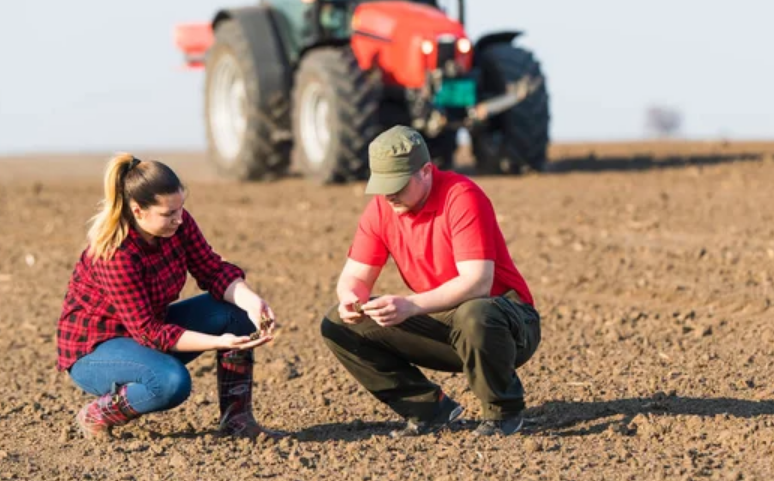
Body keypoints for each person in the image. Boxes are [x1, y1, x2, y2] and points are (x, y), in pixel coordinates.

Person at [320, 125, 541, 437]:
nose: (388, 194)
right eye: (382, 185)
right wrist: (350, 298)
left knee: (476, 312)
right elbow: (354, 276)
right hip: (441, 319)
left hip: (508, 324)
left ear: (425, 171)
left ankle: (502, 413)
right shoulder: (382, 209)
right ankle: (428, 409)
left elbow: (477, 282)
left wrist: (410, 305)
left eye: (396, 183)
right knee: (337, 324)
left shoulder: (461, 196)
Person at [55, 153, 280, 440]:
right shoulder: (115, 253)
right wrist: (218, 342)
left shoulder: (178, 224)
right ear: (137, 211)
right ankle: (97, 413)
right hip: (97, 349)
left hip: (144, 332)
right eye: (168, 214)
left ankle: (237, 421)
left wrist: (251, 302)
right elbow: (150, 333)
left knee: (236, 313)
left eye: (180, 208)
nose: (178, 219)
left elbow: (211, 269)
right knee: (170, 382)